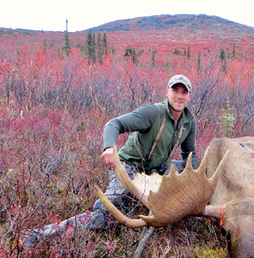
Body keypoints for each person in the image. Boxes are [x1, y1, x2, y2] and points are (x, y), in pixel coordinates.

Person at [25, 75, 199, 245]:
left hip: (156, 171)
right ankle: (39, 235)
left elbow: (189, 155)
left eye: (184, 92)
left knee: (198, 176)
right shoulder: (152, 113)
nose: (179, 96)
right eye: (175, 90)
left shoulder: (189, 122)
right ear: (167, 92)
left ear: (189, 96)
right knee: (107, 216)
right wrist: (109, 147)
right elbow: (113, 124)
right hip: (130, 167)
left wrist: (196, 182)